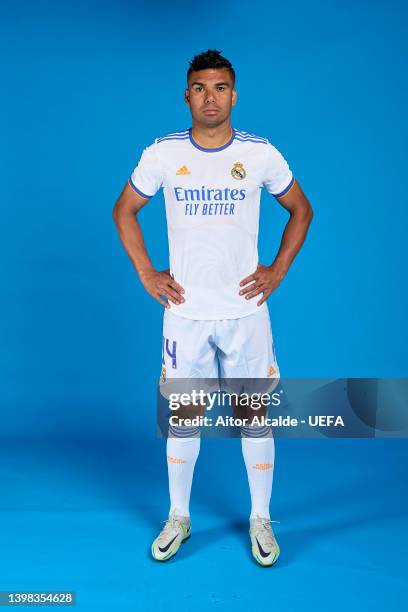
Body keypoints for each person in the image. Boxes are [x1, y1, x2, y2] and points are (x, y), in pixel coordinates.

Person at [113, 49, 313, 566]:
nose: (210, 97)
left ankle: (261, 520)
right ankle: (178, 516)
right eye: (200, 87)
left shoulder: (260, 154)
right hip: (185, 313)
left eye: (220, 87)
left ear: (234, 95)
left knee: (255, 415)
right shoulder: (162, 154)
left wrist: (278, 270)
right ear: (187, 95)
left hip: (246, 312)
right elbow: (125, 210)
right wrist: (147, 273)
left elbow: (300, 209)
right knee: (185, 418)